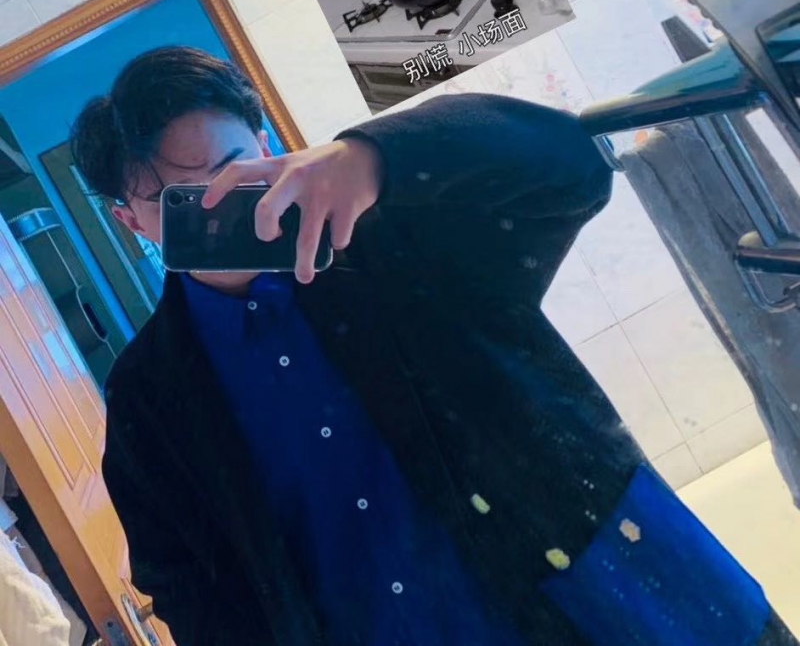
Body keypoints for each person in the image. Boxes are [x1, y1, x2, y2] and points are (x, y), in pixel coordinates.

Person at [70, 46, 797, 646]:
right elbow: (186, 587)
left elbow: (573, 167)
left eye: (237, 168)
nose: (226, 203)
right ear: (130, 222)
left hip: (627, 602)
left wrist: (372, 158)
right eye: (183, 202)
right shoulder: (147, 395)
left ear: (266, 146)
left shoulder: (396, 235)